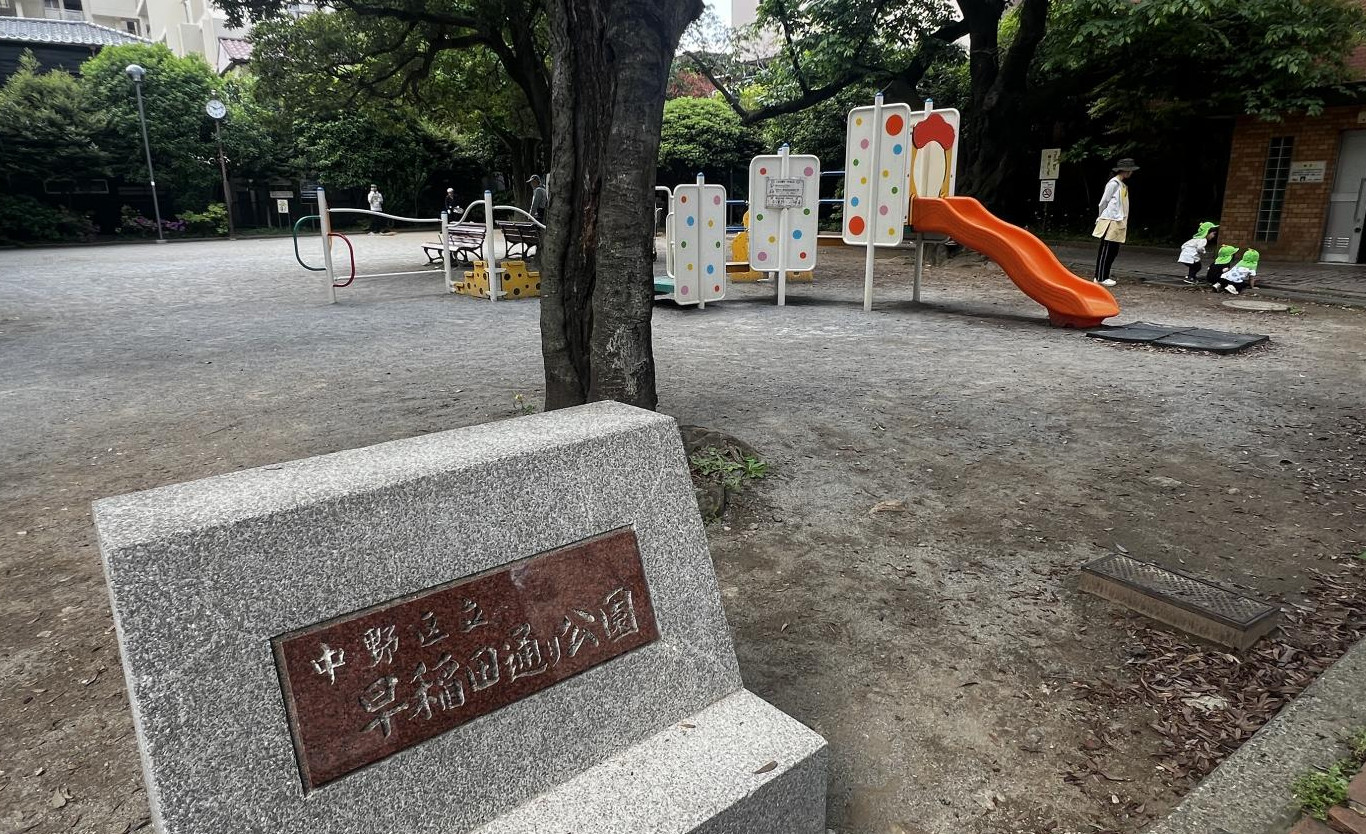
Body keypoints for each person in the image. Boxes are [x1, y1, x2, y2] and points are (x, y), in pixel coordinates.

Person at [1092, 158, 1139, 287]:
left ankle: (1102, 275)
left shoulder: (1122, 185)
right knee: (1107, 249)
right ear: (1125, 171)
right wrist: (1101, 216)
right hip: (1111, 220)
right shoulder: (1113, 183)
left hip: (1118, 220)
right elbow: (1103, 202)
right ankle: (1101, 277)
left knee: (1112, 250)